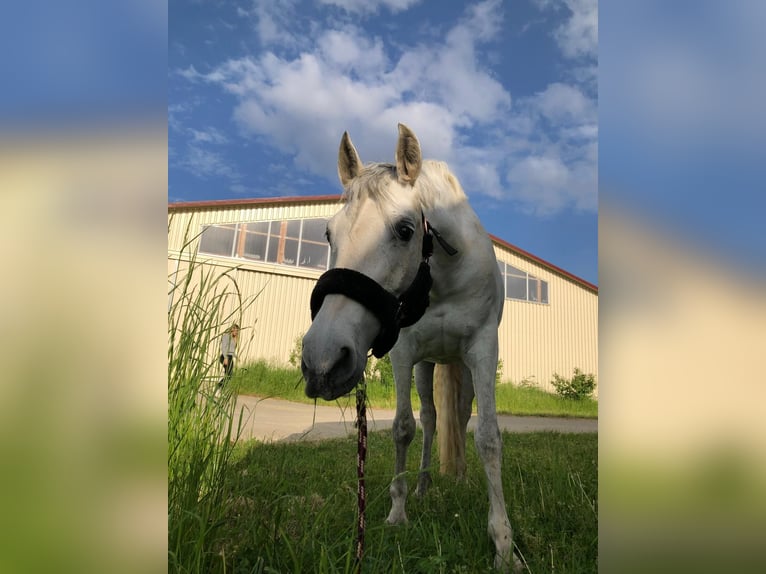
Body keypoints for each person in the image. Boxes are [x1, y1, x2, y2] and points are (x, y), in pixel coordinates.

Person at [218, 323, 239, 389]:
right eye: (235, 330)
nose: (236, 332)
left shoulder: (233, 338)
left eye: (237, 331)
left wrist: (236, 356)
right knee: (228, 374)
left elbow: (232, 349)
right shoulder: (226, 336)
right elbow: (223, 348)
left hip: (230, 357)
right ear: (231, 329)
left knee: (229, 375)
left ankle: (221, 388)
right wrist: (225, 358)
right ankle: (219, 387)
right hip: (225, 356)